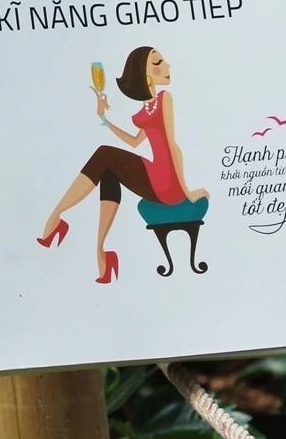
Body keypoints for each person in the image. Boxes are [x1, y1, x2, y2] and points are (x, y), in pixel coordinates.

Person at [38, 46, 210, 283]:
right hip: (157, 175)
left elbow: (172, 145)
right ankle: (102, 254)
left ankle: (55, 217)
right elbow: (135, 142)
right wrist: (104, 119)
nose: (167, 66)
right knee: (108, 171)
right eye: (158, 63)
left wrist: (186, 191)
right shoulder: (148, 107)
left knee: (104, 155)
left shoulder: (164, 99)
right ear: (144, 74)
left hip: (167, 183)